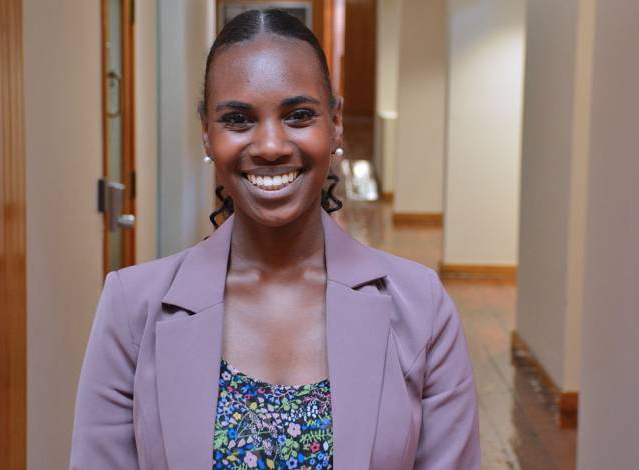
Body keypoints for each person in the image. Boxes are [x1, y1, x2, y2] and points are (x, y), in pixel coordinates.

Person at [70, 9, 480, 470]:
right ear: (206, 132)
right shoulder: (131, 309)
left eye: (299, 115)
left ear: (336, 122)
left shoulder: (422, 308)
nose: (270, 146)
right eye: (239, 119)